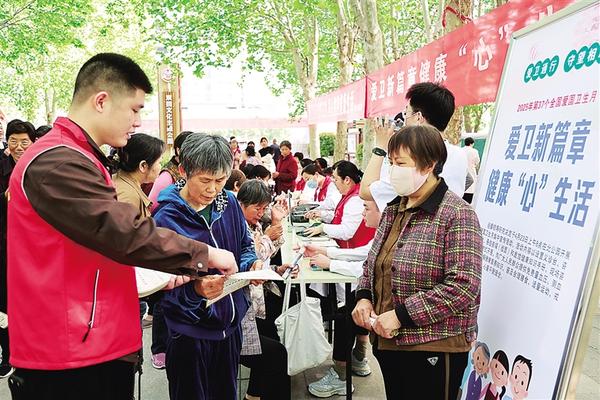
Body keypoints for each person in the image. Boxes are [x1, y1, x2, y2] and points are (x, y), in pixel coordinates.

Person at [5, 53, 237, 400]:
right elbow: (120, 232)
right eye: (134, 109)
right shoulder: (58, 161)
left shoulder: (77, 156)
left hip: (88, 340)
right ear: (102, 101)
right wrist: (205, 254)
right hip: (71, 352)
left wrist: (158, 271)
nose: (138, 121)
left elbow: (91, 248)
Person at [352, 125, 482, 400]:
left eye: (401, 163)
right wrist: (364, 297)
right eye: (391, 163)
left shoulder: (457, 214)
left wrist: (401, 315)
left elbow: (463, 286)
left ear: (429, 165)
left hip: (434, 346)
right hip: (390, 342)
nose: (393, 171)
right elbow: (373, 262)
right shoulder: (395, 208)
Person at [153, 133, 258, 400]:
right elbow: (158, 288)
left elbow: (245, 245)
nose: (212, 189)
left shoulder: (229, 203)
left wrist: (252, 264)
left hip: (230, 327)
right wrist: (196, 291)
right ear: (183, 171)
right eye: (205, 180)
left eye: (220, 180)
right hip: (188, 333)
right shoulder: (166, 218)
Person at [305, 199, 385, 397]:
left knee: (346, 314)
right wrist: (325, 252)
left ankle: (341, 376)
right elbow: (362, 254)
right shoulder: (385, 232)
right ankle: (358, 357)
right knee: (352, 301)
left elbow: (365, 268)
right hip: (377, 290)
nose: (362, 213)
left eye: (366, 208)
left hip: (385, 298)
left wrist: (330, 263)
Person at [360, 82, 469, 206]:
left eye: (406, 114)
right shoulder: (460, 155)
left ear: (418, 117)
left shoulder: (412, 158)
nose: (404, 121)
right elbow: (467, 181)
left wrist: (380, 146)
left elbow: (365, 191)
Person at [237, 179, 292, 400]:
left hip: (256, 303)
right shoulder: (236, 227)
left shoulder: (255, 225)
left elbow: (264, 259)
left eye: (264, 208)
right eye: (257, 208)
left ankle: (253, 394)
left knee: (275, 345)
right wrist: (268, 237)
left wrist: (277, 269)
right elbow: (251, 260)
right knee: (276, 354)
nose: (260, 213)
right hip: (241, 310)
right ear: (241, 203)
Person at [0, 119, 35, 379]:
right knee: (3, 302)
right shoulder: (1, 167)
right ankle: (8, 353)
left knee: (28, 301)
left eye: (24, 141)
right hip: (4, 247)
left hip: (31, 249)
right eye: (14, 141)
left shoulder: (39, 167)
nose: (19, 146)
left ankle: (28, 348)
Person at [304, 161, 375, 249]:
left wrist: (323, 228)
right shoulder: (347, 195)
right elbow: (339, 217)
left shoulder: (356, 199)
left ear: (347, 180)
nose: (333, 182)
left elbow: (347, 231)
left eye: (335, 179)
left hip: (352, 250)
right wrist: (321, 214)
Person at [113, 133, 165, 218]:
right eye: (159, 162)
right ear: (143, 166)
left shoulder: (122, 181)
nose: (161, 167)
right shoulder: (128, 198)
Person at [148, 131, 193, 211]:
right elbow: (153, 205)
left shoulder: (192, 170)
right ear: (178, 150)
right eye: (192, 149)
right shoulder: (167, 175)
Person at [463, 137, 480, 203]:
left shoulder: (461, 150)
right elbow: (477, 162)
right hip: (471, 172)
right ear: (471, 144)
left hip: (462, 173)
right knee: (470, 189)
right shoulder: (474, 151)